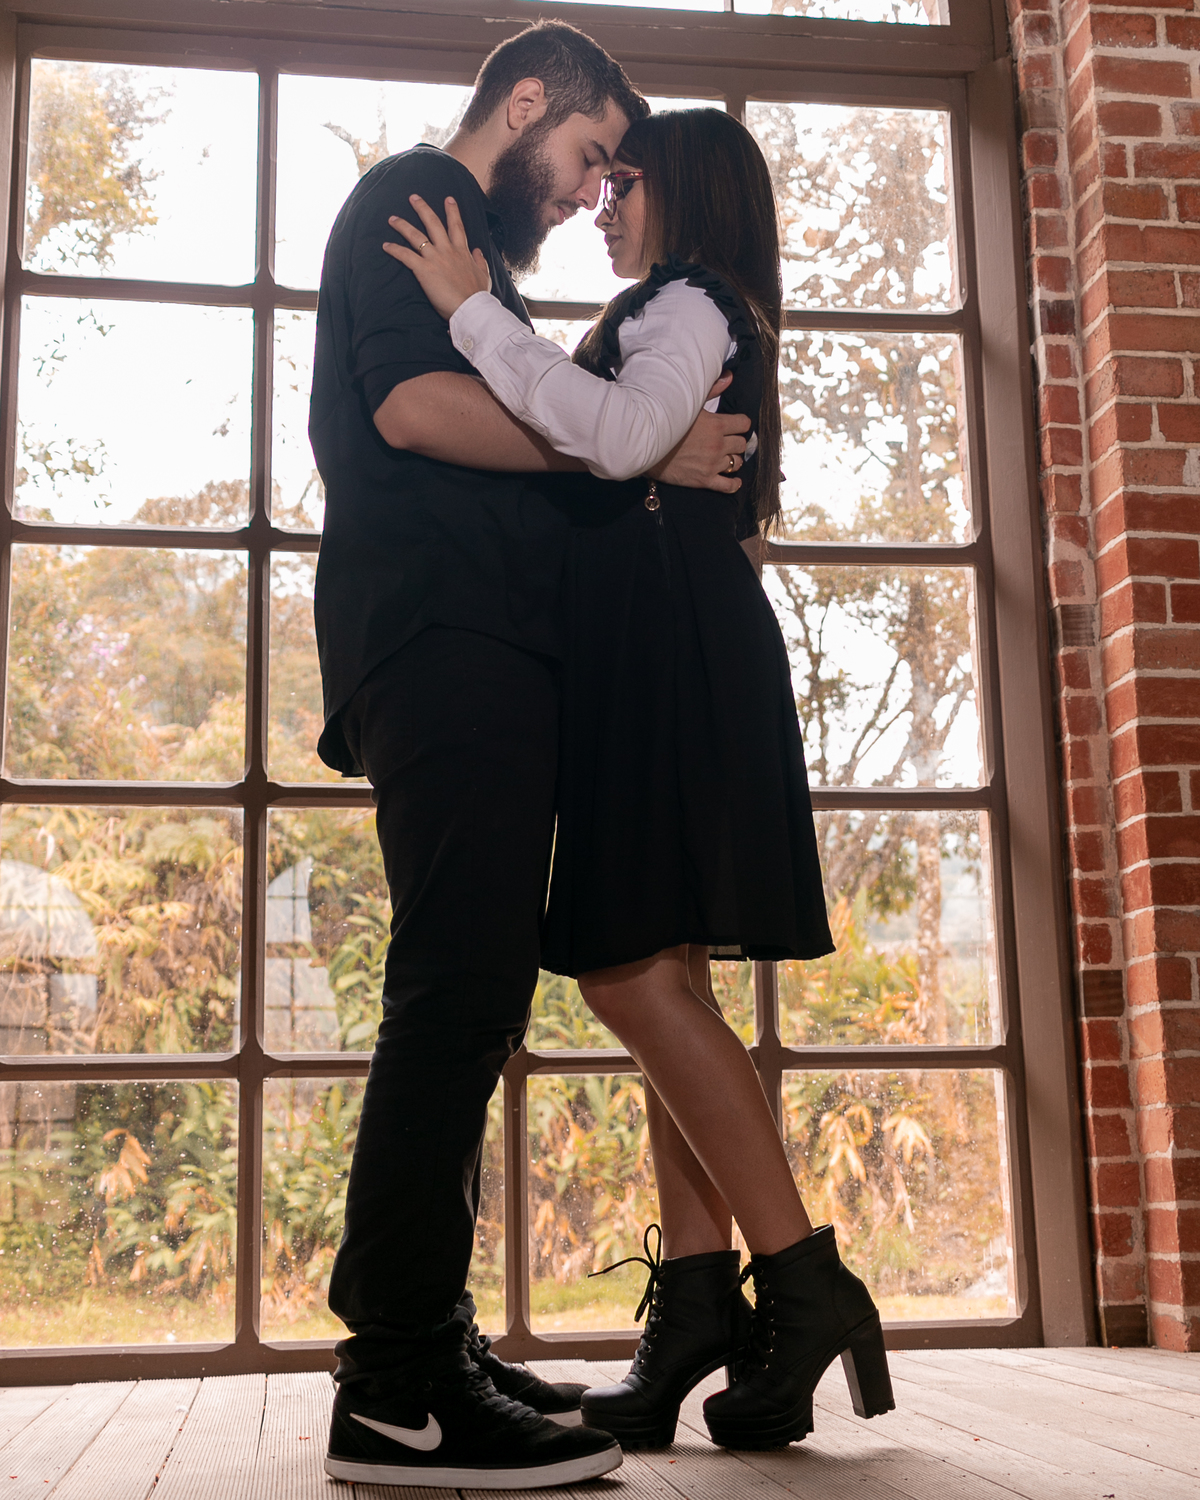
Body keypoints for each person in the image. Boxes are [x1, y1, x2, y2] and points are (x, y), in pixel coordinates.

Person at [383, 106, 897, 1456]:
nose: (604, 206)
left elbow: (611, 438)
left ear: (688, 193)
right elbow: (620, 445)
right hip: (659, 656)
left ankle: (803, 1282)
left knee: (629, 979)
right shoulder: (675, 311)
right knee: (666, 982)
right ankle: (698, 1311)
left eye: (627, 184)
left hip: (672, 660)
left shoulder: (690, 305)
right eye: (600, 183)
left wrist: (471, 309)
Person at [309, 21, 749, 1493]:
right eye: (587, 154)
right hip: (445, 644)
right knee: (455, 991)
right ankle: (395, 1385)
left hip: (482, 652)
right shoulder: (419, 198)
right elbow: (412, 407)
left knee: (478, 995)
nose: (589, 190)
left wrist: (632, 449)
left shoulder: (480, 269)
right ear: (526, 101)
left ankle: (427, 1339)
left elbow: (505, 413)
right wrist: (625, 447)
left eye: (612, 175)